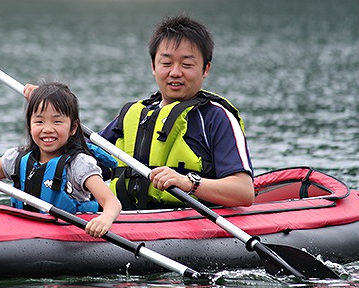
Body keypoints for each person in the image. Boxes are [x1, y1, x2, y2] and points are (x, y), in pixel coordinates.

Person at [0, 82, 121, 238]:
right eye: (39, 121)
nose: (47, 129)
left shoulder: (79, 164)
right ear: (30, 124)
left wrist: (104, 219)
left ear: (74, 128)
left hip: (68, 235)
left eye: (57, 121)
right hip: (26, 232)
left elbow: (111, 202)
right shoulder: (17, 158)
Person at [99, 14, 255, 209]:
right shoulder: (132, 116)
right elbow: (83, 161)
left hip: (190, 225)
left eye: (187, 64)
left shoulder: (216, 118)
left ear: (205, 69)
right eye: (166, 63)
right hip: (125, 221)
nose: (175, 72)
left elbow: (244, 192)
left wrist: (189, 183)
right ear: (153, 67)